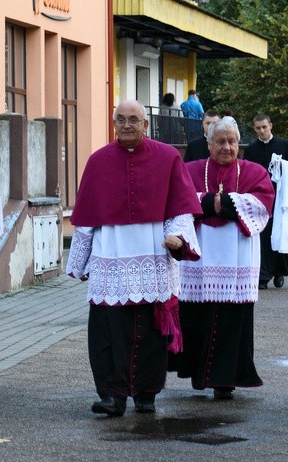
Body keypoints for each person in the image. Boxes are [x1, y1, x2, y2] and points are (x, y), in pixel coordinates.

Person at [66, 99, 202, 417]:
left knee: (150, 332)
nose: (127, 125)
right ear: (114, 124)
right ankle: (112, 395)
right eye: (121, 120)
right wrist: (79, 262)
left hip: (153, 254)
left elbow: (182, 208)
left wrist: (178, 238)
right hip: (109, 256)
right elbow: (86, 218)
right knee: (108, 331)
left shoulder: (168, 158)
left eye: (133, 120)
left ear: (145, 124)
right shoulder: (98, 161)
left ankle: (146, 394)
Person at [172, 117, 274, 400]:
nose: (227, 147)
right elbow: (178, 199)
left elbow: (262, 203)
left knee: (232, 319)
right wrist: (208, 201)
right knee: (196, 317)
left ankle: (225, 380)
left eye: (232, 141)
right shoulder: (191, 169)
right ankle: (197, 373)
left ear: (239, 144)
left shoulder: (253, 171)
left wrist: (224, 202)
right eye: (220, 141)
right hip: (199, 258)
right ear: (209, 144)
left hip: (237, 257)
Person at [243, 113, 288, 289]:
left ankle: (279, 272)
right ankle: (263, 274)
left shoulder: (284, 145)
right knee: (264, 236)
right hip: (261, 198)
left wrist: (282, 165)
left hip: (280, 197)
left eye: (264, 127)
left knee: (281, 233)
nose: (261, 131)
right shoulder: (252, 150)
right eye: (258, 128)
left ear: (271, 126)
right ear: (254, 129)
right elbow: (247, 171)